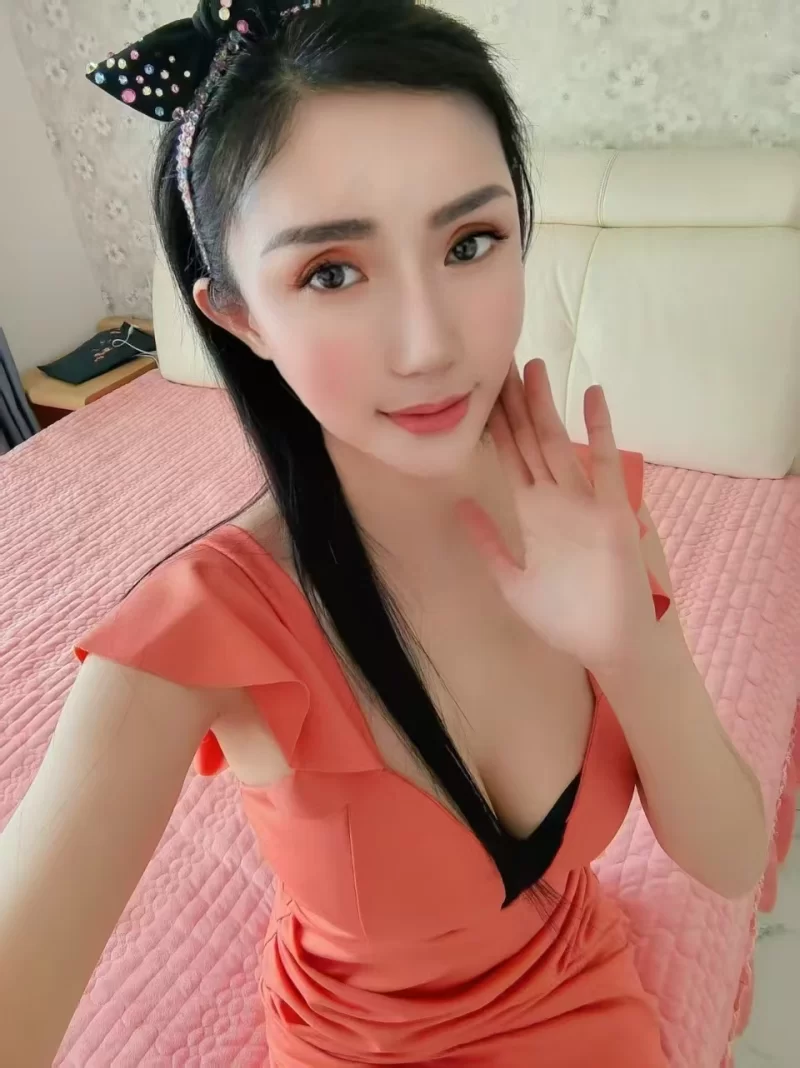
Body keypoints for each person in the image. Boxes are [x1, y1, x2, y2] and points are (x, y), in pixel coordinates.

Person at [0, 2, 768, 1065]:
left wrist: (631, 648)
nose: (427, 344)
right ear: (239, 318)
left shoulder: (581, 509)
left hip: (577, 993)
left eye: (469, 242)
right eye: (330, 271)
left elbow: (731, 859)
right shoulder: (190, 639)